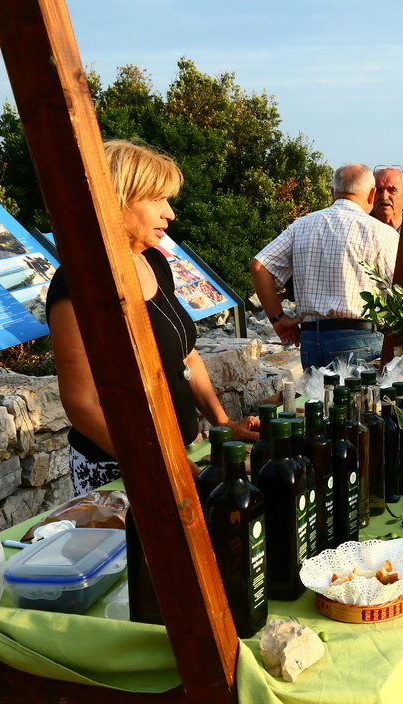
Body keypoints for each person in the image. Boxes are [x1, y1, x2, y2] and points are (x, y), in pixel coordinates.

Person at [48, 140, 258, 495]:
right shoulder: (79, 283)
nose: (170, 213)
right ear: (116, 198)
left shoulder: (154, 261)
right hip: (121, 469)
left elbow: (184, 355)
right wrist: (164, 462)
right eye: (156, 199)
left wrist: (224, 425)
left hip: (179, 455)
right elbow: (81, 403)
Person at [251, 163, 400, 369]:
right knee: (361, 400)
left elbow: (259, 267)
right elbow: (402, 290)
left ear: (333, 193)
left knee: (317, 400)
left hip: (311, 338)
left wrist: (278, 319)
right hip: (360, 336)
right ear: (372, 194)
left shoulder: (301, 226)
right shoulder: (380, 232)